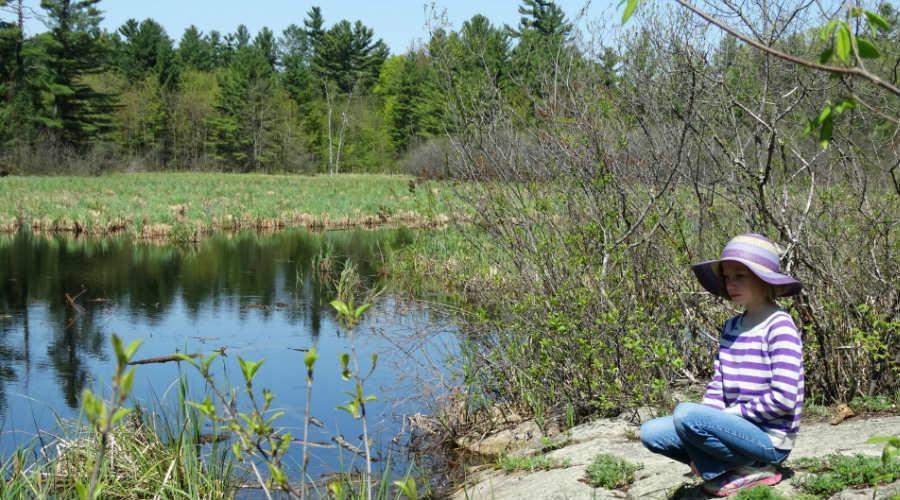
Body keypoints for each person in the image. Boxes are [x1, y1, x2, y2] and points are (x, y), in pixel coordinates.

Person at [640, 233, 804, 497]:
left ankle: (752, 465)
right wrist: (703, 426)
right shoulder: (731, 327)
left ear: (764, 279)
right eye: (727, 277)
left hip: (768, 439)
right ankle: (733, 470)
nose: (731, 284)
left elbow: (784, 399)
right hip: (733, 430)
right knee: (652, 432)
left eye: (740, 276)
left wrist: (727, 416)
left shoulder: (780, 326)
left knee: (685, 414)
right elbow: (718, 386)